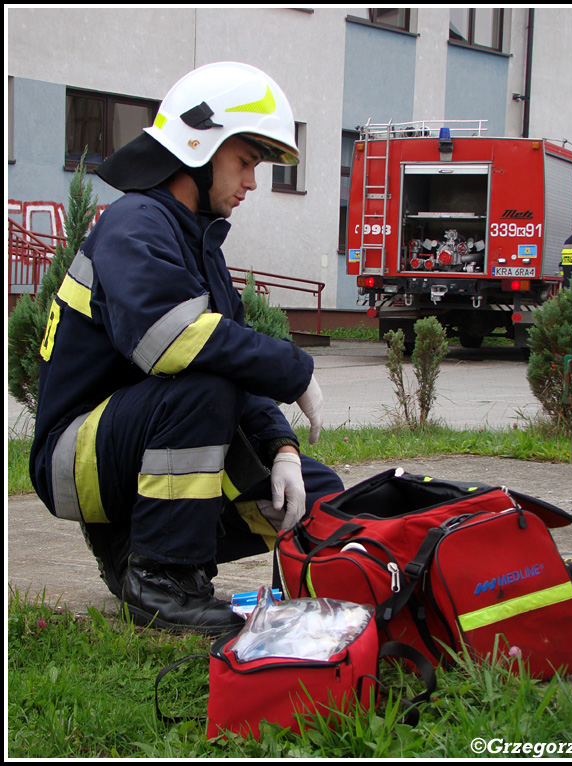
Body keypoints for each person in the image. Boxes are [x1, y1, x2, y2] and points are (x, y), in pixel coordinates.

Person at [30, 62, 344, 635]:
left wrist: (282, 448)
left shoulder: (198, 245)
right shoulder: (135, 222)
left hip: (134, 442)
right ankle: (159, 577)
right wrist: (292, 370)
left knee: (321, 494)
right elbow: (173, 344)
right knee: (202, 385)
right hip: (74, 461)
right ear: (199, 146)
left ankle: (341, 572)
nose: (252, 182)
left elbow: (230, 367)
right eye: (246, 161)